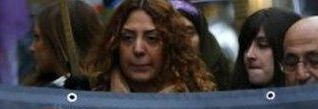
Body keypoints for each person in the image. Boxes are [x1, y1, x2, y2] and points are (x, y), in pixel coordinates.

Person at [85, 0, 216, 92]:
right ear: (115, 44)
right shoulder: (90, 101)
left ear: (171, 45)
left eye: (152, 38)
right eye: (128, 38)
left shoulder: (199, 104)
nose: (138, 49)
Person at [25, 0, 103, 88]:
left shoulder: (106, 90)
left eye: (37, 38)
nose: (31, 48)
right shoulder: (41, 90)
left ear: (59, 42)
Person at [230, 8, 301, 89]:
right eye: (246, 45)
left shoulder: (312, 97)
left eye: (262, 45)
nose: (249, 55)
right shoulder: (230, 99)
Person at [171, 0, 232, 89]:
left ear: (201, 36)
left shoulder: (221, 71)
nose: (184, 40)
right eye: (176, 33)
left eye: (189, 32)